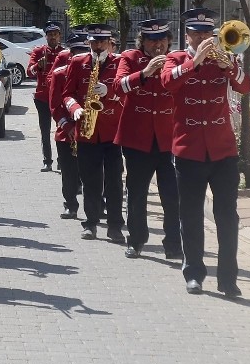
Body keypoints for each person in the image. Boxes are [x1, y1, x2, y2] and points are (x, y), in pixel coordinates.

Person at [161, 7, 250, 298]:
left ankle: (228, 279)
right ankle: (194, 274)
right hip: (189, 150)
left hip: (222, 150)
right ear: (186, 35)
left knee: (227, 217)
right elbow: (168, 83)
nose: (202, 38)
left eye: (207, 34)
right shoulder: (176, 59)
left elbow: (245, 86)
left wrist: (231, 66)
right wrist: (196, 60)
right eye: (196, 33)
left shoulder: (225, 60)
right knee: (190, 216)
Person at [114, 19, 182, 259]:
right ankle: (136, 240)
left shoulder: (176, 60)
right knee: (136, 192)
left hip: (168, 139)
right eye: (152, 40)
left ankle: (173, 244)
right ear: (142, 41)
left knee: (172, 195)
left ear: (169, 41)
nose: (158, 44)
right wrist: (144, 72)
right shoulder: (130, 58)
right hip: (137, 139)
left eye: (162, 39)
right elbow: (118, 87)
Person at [62, 23, 126, 242]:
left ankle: (115, 225)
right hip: (87, 132)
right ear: (88, 43)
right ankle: (90, 223)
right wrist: (76, 109)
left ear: (109, 43)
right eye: (94, 42)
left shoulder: (119, 63)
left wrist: (110, 91)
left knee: (115, 181)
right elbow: (67, 94)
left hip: (112, 132)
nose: (98, 46)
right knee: (90, 181)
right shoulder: (78, 63)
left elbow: (128, 94)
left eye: (102, 42)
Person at [49, 32, 90, 221]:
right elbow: (55, 106)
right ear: (70, 53)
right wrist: (68, 127)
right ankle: (70, 205)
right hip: (67, 132)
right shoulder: (59, 74)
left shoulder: (95, 71)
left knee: (93, 172)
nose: (80, 55)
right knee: (68, 171)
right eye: (76, 52)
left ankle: (96, 206)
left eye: (84, 51)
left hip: (91, 130)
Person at [28, 21, 64, 172]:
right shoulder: (39, 51)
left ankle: (62, 160)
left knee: (61, 128)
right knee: (45, 130)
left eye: (55, 35)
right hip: (42, 97)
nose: (53, 37)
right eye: (50, 35)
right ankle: (47, 161)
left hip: (59, 98)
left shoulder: (64, 53)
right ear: (46, 36)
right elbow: (29, 72)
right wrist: (38, 66)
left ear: (59, 36)